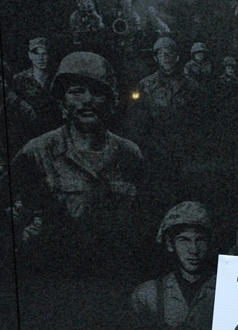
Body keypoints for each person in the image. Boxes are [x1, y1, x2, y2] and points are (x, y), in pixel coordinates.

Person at [10, 52, 146, 271]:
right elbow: (11, 219)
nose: (87, 100)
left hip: (113, 274)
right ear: (62, 100)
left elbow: (141, 223)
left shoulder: (129, 154)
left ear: (110, 101)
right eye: (77, 91)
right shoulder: (37, 152)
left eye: (97, 92)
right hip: (53, 275)